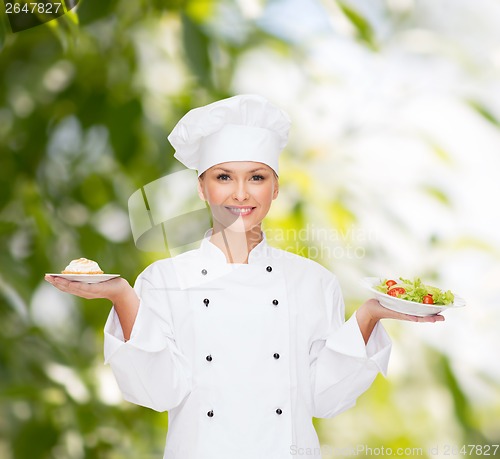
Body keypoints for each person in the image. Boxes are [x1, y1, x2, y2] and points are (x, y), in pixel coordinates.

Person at [45, 94, 444, 459]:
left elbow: (322, 399)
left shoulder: (314, 282)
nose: (241, 194)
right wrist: (123, 297)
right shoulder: (163, 279)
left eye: (256, 177)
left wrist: (368, 317)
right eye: (223, 177)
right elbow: (157, 391)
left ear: (276, 188)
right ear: (202, 188)